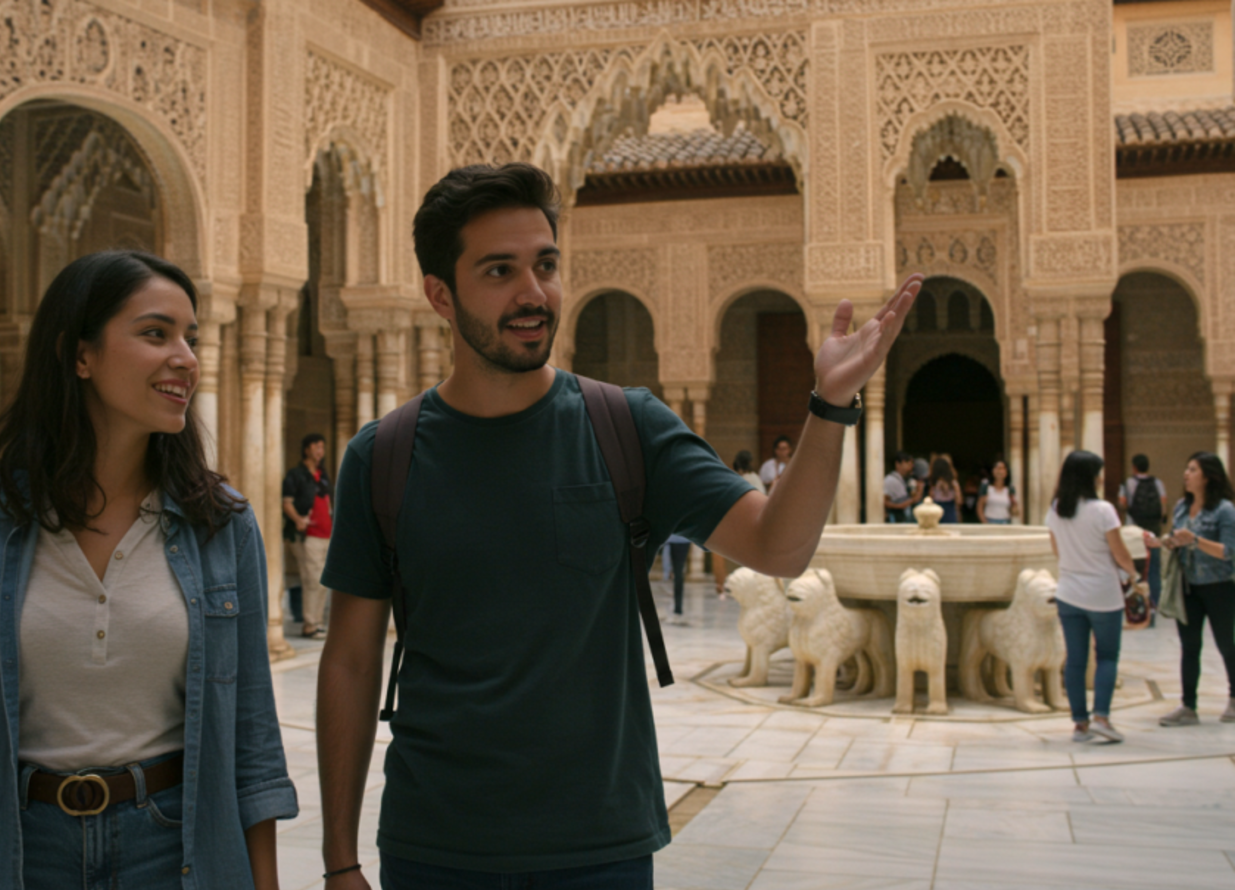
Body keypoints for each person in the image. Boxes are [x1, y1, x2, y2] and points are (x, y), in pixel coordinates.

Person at [314, 163, 923, 890]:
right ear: (440, 295)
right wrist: (339, 858)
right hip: (437, 846)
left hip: (599, 848)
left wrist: (829, 405)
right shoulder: (384, 457)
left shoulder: (624, 427)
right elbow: (350, 661)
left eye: (545, 265)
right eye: (499, 271)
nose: (532, 293)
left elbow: (781, 548)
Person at [0, 252, 297, 890]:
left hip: (173, 849)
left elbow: (252, 747)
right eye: (156, 334)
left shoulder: (220, 526)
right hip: (17, 850)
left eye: (190, 338)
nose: (186, 358)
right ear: (79, 355)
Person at [1046, 450, 1136, 744]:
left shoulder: (1057, 508)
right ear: (1090, 477)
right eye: (1098, 472)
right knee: (1107, 656)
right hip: (1102, 594)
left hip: (1069, 593)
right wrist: (1133, 572)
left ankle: (1080, 725)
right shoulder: (1103, 510)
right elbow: (1119, 551)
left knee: (1075, 660)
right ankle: (1102, 717)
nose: (1101, 477)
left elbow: (1057, 550)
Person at [1149, 452, 1235, 726]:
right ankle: (1188, 706)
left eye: (1193, 469)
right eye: (1187, 469)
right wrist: (1161, 542)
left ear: (1208, 476)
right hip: (1188, 587)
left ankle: (1234, 698)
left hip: (1219, 586)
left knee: (1227, 644)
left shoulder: (1224, 509)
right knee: (1189, 646)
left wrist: (1195, 539)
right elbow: (1178, 541)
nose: (1186, 474)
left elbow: (1229, 551)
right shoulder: (1181, 508)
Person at [285, 432, 334, 638]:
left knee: (322, 581)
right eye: (316, 447)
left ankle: (317, 622)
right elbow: (286, 502)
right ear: (306, 449)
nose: (319, 451)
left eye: (322, 447)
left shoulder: (323, 476)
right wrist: (298, 520)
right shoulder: (295, 474)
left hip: (326, 535)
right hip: (308, 535)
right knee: (312, 580)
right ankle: (310, 624)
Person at [1118, 453, 1167, 614]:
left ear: (1134, 467)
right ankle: (1154, 604)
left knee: (1133, 569)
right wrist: (1162, 519)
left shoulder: (1128, 483)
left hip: (1134, 532)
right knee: (1154, 567)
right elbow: (1163, 502)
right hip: (1153, 530)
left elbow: (1122, 503)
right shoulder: (1157, 482)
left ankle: (1134, 604)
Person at [883, 452, 925, 523]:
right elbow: (884, 501)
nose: (910, 467)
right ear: (898, 464)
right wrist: (901, 505)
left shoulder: (905, 480)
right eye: (908, 463)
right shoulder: (890, 480)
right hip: (897, 519)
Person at [977, 458, 1019, 525]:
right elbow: (980, 507)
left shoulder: (1010, 488)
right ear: (993, 470)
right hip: (990, 520)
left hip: (1005, 522)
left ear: (1006, 472)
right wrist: (985, 523)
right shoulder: (986, 486)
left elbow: (1014, 509)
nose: (1000, 471)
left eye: (1002, 469)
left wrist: (1015, 508)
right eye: (997, 468)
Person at [665, 533, 691, 621]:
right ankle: (677, 608)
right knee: (678, 573)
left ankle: (677, 608)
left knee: (677, 574)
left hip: (677, 539)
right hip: (682, 539)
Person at [929, 457, 959, 523]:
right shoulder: (934, 483)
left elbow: (959, 500)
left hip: (948, 509)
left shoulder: (952, 483)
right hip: (938, 509)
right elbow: (959, 500)